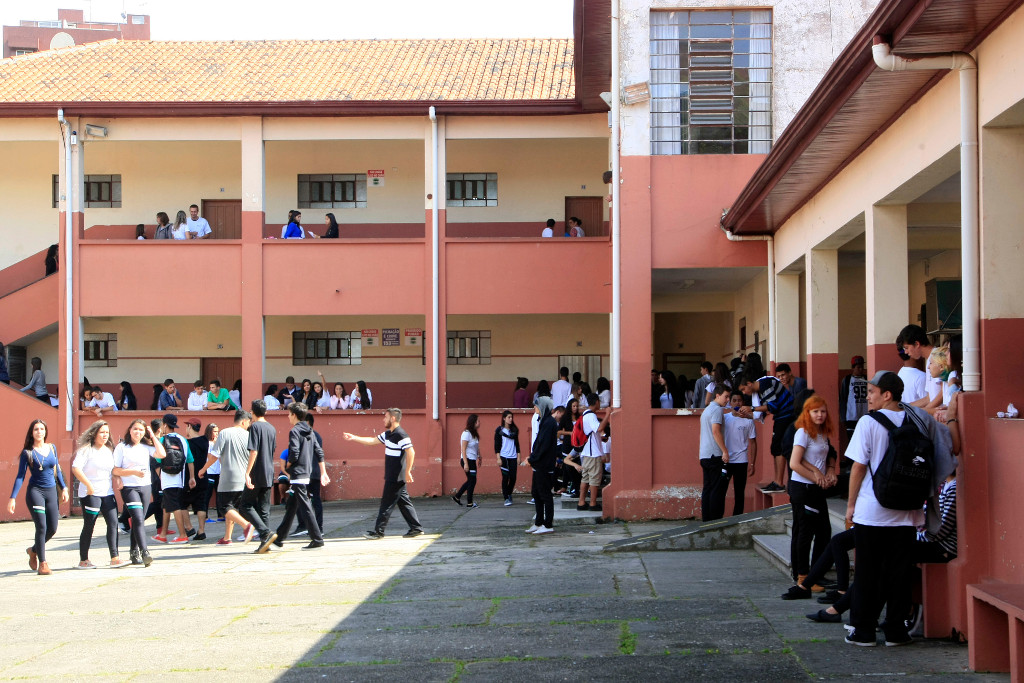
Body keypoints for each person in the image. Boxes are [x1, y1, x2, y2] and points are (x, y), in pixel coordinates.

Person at [843, 371, 954, 647]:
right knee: (899, 574)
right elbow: (949, 449)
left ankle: (864, 631)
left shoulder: (868, 423)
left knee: (867, 572)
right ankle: (895, 631)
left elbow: (858, 466)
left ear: (887, 394)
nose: (868, 397)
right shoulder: (922, 420)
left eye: (872, 392)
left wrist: (850, 505)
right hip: (908, 512)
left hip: (873, 510)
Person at [784, 395, 836, 595]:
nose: (820, 415)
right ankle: (803, 577)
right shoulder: (803, 433)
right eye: (816, 411)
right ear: (807, 413)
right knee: (805, 532)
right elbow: (794, 463)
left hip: (816, 489)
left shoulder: (823, 433)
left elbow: (829, 453)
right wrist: (818, 477)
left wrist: (830, 471)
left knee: (824, 531)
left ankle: (815, 572)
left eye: (823, 411)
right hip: (803, 488)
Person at [345, 408, 424, 539]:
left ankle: (378, 532)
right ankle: (416, 528)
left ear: (393, 418)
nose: (383, 419)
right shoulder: (388, 434)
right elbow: (371, 441)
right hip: (393, 475)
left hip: (396, 475)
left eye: (386, 417)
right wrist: (353, 438)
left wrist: (408, 471)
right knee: (403, 502)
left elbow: (411, 452)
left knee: (386, 504)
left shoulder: (401, 434)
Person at [7, 419, 68, 575]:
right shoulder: (27, 452)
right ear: (32, 433)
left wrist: (65, 488)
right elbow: (20, 476)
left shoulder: (52, 448)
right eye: (36, 429)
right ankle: (43, 563)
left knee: (52, 528)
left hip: (52, 491)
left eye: (42, 429)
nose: (39, 432)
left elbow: (58, 470)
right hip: (35, 492)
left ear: (45, 431)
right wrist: (12, 498)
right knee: (41, 526)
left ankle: (33, 550)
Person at [72, 420, 128, 568]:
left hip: (107, 492)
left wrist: (118, 479)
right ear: (94, 433)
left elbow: (113, 469)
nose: (105, 435)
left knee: (113, 523)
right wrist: (88, 484)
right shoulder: (86, 450)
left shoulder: (109, 450)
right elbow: (76, 468)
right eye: (102, 432)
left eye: (107, 433)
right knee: (89, 525)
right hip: (90, 493)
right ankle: (84, 560)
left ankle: (115, 558)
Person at [199, 409, 255, 546]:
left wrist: (203, 469)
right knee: (232, 508)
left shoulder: (225, 433)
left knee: (224, 507)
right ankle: (227, 537)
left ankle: (247, 526)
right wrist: (249, 474)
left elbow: (214, 455)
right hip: (243, 476)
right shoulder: (248, 435)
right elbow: (253, 454)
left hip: (228, 476)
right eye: (248, 422)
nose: (248, 425)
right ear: (244, 421)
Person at [112, 419, 162, 567]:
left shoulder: (145, 447)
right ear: (130, 430)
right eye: (135, 429)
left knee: (138, 520)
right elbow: (115, 470)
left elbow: (161, 454)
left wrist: (152, 435)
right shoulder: (122, 447)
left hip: (145, 486)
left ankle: (134, 553)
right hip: (129, 488)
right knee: (138, 519)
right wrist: (132, 472)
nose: (138, 432)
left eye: (141, 430)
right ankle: (145, 551)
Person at [738, 369, 795, 494]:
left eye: (743, 389)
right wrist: (748, 414)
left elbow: (772, 406)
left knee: (778, 447)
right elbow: (765, 412)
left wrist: (751, 408)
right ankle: (777, 481)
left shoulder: (765, 385)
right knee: (775, 448)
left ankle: (779, 483)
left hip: (787, 416)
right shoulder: (761, 388)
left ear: (749, 384)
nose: (745, 393)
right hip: (782, 417)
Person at [153, 414, 197, 545]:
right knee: (167, 505)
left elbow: (158, 459)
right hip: (180, 477)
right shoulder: (183, 440)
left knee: (175, 505)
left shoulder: (162, 440)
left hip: (167, 478)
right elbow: (190, 460)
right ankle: (162, 534)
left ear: (164, 425)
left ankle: (183, 535)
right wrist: (192, 477)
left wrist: (159, 475)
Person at [245, 400, 280, 553]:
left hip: (257, 471)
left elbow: (253, 451)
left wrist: (247, 473)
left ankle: (265, 533)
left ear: (252, 412)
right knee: (264, 509)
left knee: (245, 505)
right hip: (268, 470)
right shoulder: (271, 428)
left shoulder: (255, 427)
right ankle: (264, 543)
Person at [294, 412, 330, 537]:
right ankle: (318, 527)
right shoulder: (317, 436)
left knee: (300, 499)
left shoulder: (304, 435)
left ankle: (304, 525)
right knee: (315, 500)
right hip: (314, 472)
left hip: (306, 472)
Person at [526, 397, 558, 535]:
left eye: (537, 406)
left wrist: (533, 458)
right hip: (539, 463)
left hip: (544, 464)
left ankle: (548, 523)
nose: (535, 409)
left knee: (545, 494)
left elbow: (543, 445)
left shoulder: (549, 422)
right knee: (536, 493)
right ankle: (539, 522)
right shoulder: (544, 421)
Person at [699, 385, 731, 521]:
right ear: (717, 395)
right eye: (726, 396)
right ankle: (715, 520)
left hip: (705, 454)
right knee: (717, 490)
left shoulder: (706, 410)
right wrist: (725, 451)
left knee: (708, 488)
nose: (727, 400)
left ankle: (707, 519)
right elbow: (716, 431)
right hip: (714, 454)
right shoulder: (717, 410)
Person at [724, 392, 757, 516]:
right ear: (730, 402)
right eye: (734, 400)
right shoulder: (725, 418)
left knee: (739, 492)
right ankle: (718, 521)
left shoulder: (748, 421)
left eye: (740, 400)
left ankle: (737, 518)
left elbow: (753, 442)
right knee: (721, 490)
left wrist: (753, 463)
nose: (737, 403)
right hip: (726, 460)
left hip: (741, 461)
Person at [579, 394, 613, 512]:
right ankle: (593, 503)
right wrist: (607, 414)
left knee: (585, 478)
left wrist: (600, 438)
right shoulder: (592, 415)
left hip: (586, 451)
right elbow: (598, 429)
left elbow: (593, 432)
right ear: (596, 402)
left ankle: (581, 502)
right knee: (594, 478)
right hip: (593, 452)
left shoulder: (584, 415)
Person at [183, 418, 210, 540]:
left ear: (190, 427)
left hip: (190, 477)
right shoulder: (205, 440)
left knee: (181, 503)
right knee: (201, 504)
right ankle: (201, 530)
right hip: (203, 475)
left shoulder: (186, 443)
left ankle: (189, 527)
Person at [452, 414, 482, 508]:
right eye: (477, 421)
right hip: (467, 460)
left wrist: (479, 456)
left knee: (471, 480)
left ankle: (457, 496)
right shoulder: (466, 433)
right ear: (473, 422)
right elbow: (463, 449)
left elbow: (476, 447)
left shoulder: (474, 434)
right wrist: (465, 463)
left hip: (473, 459)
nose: (479, 423)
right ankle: (470, 502)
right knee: (472, 480)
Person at [839, 356, 869, 442]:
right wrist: (843, 417)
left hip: (864, 414)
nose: (860, 369)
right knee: (852, 441)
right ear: (853, 368)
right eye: (858, 367)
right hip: (851, 416)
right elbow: (843, 398)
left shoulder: (866, 378)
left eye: (862, 367)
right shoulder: (848, 380)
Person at [495, 410, 521, 506]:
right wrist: (498, 458)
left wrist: (519, 456)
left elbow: (517, 444)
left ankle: (509, 493)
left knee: (513, 477)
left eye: (511, 417)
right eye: (509, 417)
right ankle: (506, 498)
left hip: (513, 456)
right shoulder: (499, 430)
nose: (511, 419)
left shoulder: (514, 430)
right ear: (504, 418)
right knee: (505, 477)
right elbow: (497, 445)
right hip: (504, 456)